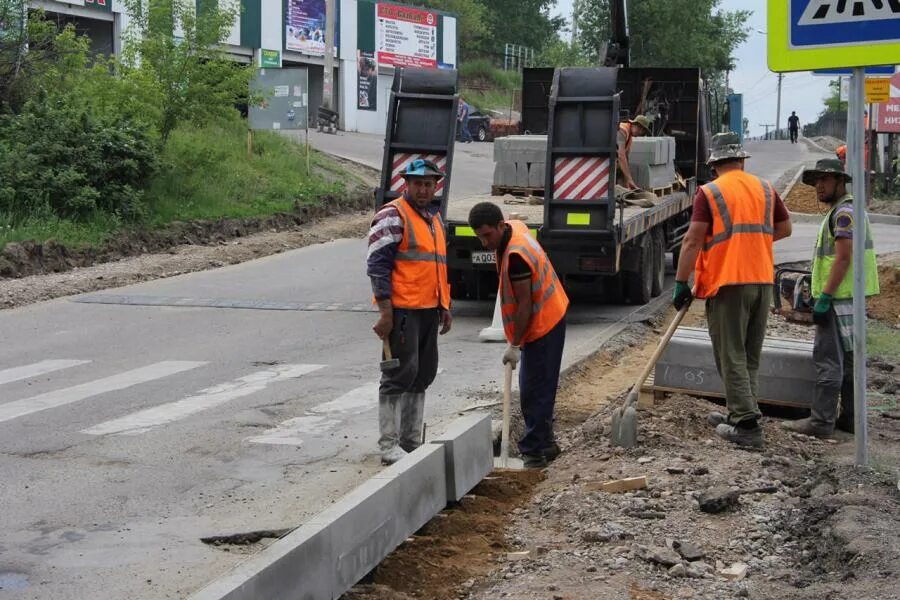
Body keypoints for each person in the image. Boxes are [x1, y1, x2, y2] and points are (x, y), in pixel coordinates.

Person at [672, 132, 793, 448]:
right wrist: (752, 245)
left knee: (731, 353)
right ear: (741, 160)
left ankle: (746, 426)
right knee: (749, 354)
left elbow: (692, 240)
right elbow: (784, 228)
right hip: (763, 281)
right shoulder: (765, 188)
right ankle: (743, 411)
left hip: (729, 282)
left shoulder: (709, 192)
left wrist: (680, 282)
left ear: (714, 165)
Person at [782, 159, 880, 438]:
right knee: (848, 361)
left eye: (824, 180)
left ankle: (821, 421)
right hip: (849, 297)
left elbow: (843, 257)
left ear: (840, 181)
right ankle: (849, 418)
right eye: (816, 182)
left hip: (837, 299)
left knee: (828, 360)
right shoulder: (846, 210)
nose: (818, 187)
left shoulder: (843, 213)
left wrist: (824, 296)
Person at [467, 202, 569, 468]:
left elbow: (525, 303)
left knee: (535, 389)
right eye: (479, 236)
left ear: (501, 226)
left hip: (544, 322)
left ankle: (534, 451)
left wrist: (514, 344)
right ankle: (545, 443)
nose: (484, 242)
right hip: (550, 312)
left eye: (488, 235)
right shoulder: (515, 228)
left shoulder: (516, 256)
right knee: (536, 385)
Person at [366, 159, 453, 465]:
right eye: (417, 183)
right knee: (398, 375)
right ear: (406, 184)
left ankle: (411, 441)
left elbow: (437, 265)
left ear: (435, 186)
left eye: (429, 184)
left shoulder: (433, 219)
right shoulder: (393, 215)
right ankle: (389, 445)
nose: (423, 189)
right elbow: (377, 266)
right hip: (403, 311)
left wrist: (444, 306)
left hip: (429, 309)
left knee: (422, 374)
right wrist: (386, 312)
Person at [617, 114, 652, 189]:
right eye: (640, 129)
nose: (641, 133)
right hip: (602, 158)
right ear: (635, 125)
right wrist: (630, 179)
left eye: (643, 131)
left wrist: (627, 181)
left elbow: (626, 159)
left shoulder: (630, 139)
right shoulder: (622, 130)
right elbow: (621, 156)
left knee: (621, 171)